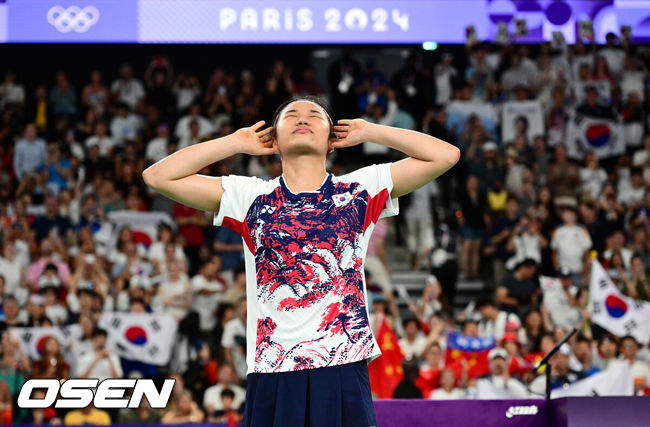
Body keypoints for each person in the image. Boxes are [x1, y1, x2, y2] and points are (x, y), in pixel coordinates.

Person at [143, 95, 460, 426]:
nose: (303, 118)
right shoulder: (248, 196)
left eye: (315, 115)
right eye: (291, 114)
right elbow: (158, 177)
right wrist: (234, 143)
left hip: (342, 363)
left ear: (332, 139)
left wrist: (370, 132)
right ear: (274, 139)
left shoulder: (360, 190)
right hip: (273, 367)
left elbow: (445, 155)